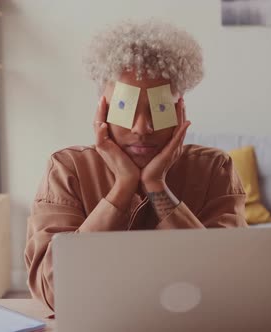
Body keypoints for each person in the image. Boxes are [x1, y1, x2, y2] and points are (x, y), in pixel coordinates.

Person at [24, 20, 248, 311]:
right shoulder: (67, 169)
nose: (142, 128)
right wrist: (122, 188)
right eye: (124, 108)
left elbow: (227, 284)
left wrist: (157, 186)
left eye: (160, 108)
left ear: (180, 112)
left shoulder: (214, 168)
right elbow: (54, 292)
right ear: (102, 110)